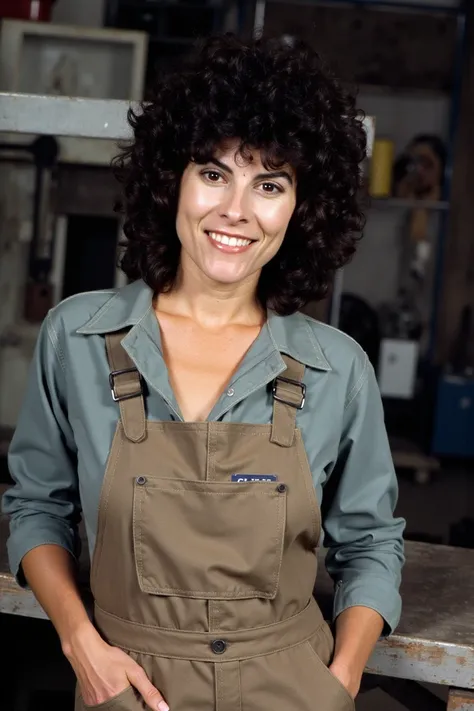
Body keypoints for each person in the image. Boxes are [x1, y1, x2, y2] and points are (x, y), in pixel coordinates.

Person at [2, 34, 405, 711]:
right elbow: (36, 506)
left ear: (302, 208)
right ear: (172, 180)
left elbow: (372, 541)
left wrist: (341, 679)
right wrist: (81, 644)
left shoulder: (337, 369)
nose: (236, 211)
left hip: (293, 692)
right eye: (214, 173)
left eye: (269, 184)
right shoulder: (77, 337)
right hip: (127, 690)